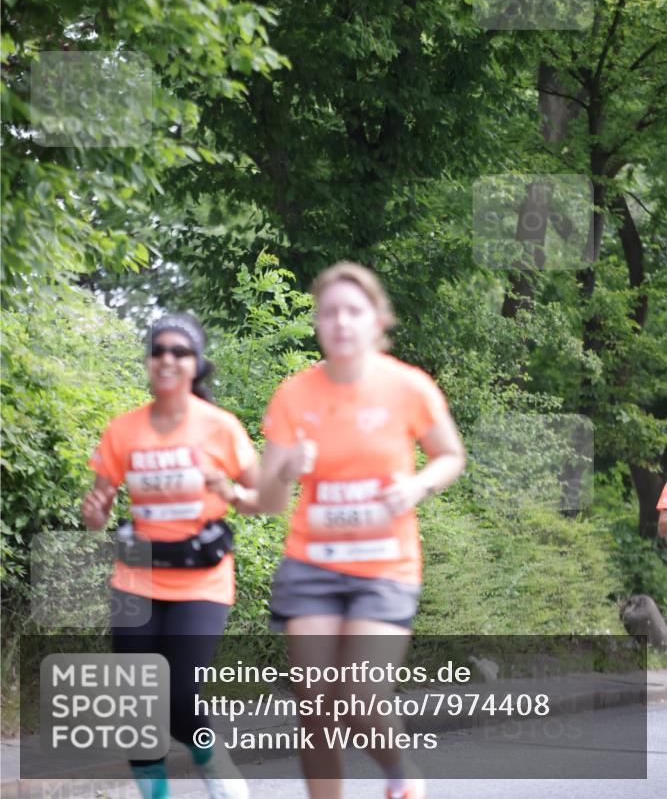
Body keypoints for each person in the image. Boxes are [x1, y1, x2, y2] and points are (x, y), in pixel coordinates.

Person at [258, 263, 466, 799]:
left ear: (378, 321)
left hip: (384, 566)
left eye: (354, 311)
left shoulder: (408, 387)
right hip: (313, 563)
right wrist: (286, 468)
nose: (341, 322)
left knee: (360, 693)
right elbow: (268, 501)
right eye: (329, 312)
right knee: (315, 703)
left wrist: (417, 486)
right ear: (318, 324)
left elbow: (450, 457)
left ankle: (399, 773)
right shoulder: (293, 396)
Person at [81, 313, 258, 799]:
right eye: (158, 349)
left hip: (202, 579)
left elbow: (260, 492)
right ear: (148, 361)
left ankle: (208, 755)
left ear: (196, 363)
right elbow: (98, 509)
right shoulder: (123, 430)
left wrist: (231, 491)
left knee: (180, 696)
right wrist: (95, 511)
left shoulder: (220, 427)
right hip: (137, 576)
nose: (167, 358)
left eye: (179, 351)